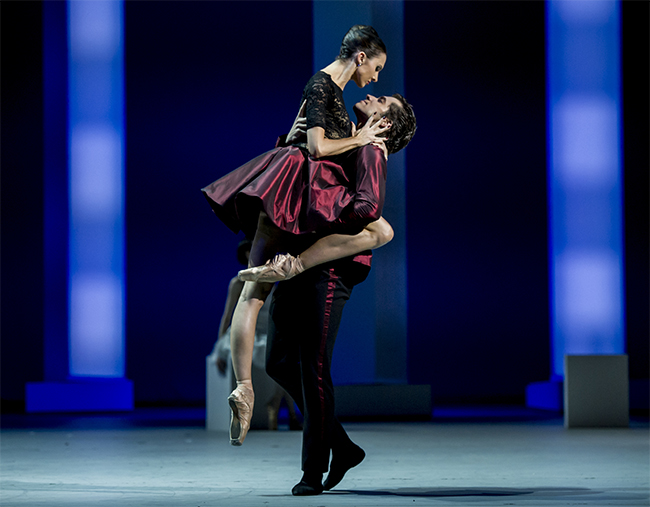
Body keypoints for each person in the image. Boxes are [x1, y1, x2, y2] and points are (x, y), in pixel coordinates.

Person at [201, 25, 415, 446]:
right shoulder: (324, 85)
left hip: (284, 185)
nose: (375, 78)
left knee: (252, 290)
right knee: (380, 230)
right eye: (376, 67)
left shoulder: (332, 92)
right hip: (296, 188)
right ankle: (294, 268)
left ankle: (244, 388)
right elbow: (315, 148)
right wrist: (359, 137)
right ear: (361, 55)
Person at [207, 239, 300, 430]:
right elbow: (228, 316)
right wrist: (218, 348)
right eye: (250, 251)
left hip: (267, 331)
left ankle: (284, 407)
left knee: (286, 362)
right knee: (276, 360)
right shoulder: (237, 283)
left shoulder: (273, 279)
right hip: (247, 333)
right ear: (245, 255)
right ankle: (282, 408)